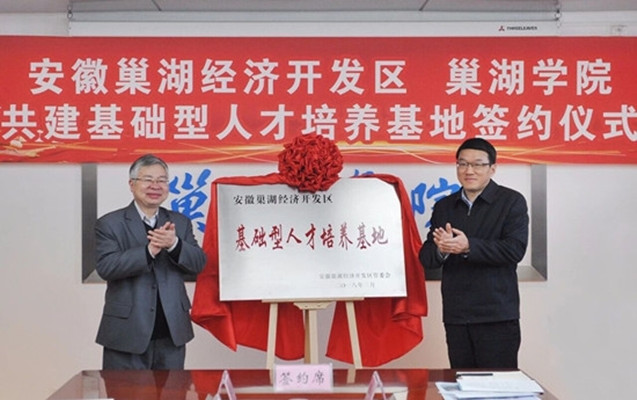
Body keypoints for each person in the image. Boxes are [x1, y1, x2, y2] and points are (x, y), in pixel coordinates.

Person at [419, 138, 529, 369]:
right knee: (462, 381)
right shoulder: (445, 206)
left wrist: (469, 246)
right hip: (457, 315)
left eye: (478, 164)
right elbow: (427, 258)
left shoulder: (511, 202)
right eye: (463, 164)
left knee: (498, 385)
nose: (469, 170)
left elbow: (514, 250)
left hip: (496, 315)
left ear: (492, 168)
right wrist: (441, 249)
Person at [95, 154, 206, 370]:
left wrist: (174, 244)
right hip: (126, 332)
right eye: (148, 179)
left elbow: (198, 263)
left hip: (171, 331)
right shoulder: (109, 223)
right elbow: (106, 267)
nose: (155, 186)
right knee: (124, 389)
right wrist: (148, 251)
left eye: (162, 180)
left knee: (173, 389)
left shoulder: (180, 222)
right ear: (132, 184)